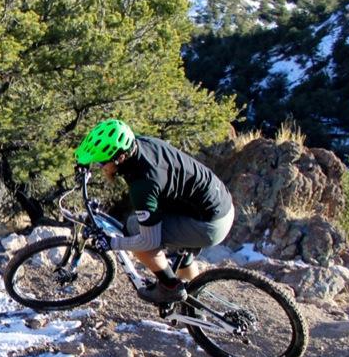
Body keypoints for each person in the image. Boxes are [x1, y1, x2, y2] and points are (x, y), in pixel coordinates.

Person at [74, 119, 235, 304]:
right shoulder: (138, 143)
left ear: (119, 158)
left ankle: (170, 288)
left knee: (135, 229)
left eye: (102, 163)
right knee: (151, 228)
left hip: (210, 224)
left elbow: (148, 240)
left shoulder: (143, 184)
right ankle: (193, 305)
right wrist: (83, 163)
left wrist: (112, 243)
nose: (101, 167)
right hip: (217, 201)